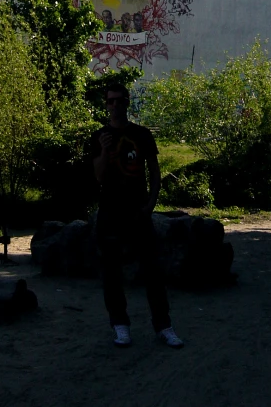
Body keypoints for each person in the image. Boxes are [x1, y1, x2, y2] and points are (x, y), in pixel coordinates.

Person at [89, 84, 184, 348]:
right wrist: (106, 152)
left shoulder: (141, 135)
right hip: (110, 211)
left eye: (120, 101)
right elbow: (98, 176)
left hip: (137, 211)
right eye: (111, 102)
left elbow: (154, 171)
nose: (115, 106)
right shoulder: (100, 136)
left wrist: (150, 204)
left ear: (128, 102)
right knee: (112, 272)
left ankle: (164, 326)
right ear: (105, 105)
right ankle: (120, 326)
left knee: (152, 270)